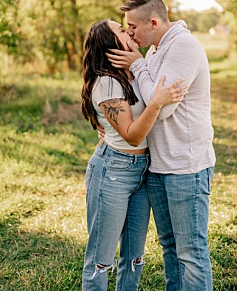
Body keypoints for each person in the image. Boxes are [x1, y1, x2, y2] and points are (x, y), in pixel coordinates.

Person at [109, 0, 215, 291]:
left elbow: (163, 108)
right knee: (170, 248)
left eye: (132, 27)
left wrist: (138, 66)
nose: (129, 33)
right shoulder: (155, 51)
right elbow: (146, 101)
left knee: (190, 254)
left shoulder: (184, 47)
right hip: (158, 165)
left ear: (153, 22)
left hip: (186, 166)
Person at [80, 19, 187, 290]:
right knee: (100, 261)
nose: (129, 31)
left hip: (142, 171)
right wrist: (157, 102)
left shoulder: (134, 73)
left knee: (135, 257)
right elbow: (133, 134)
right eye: (121, 29)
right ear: (110, 44)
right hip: (112, 172)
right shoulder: (106, 83)